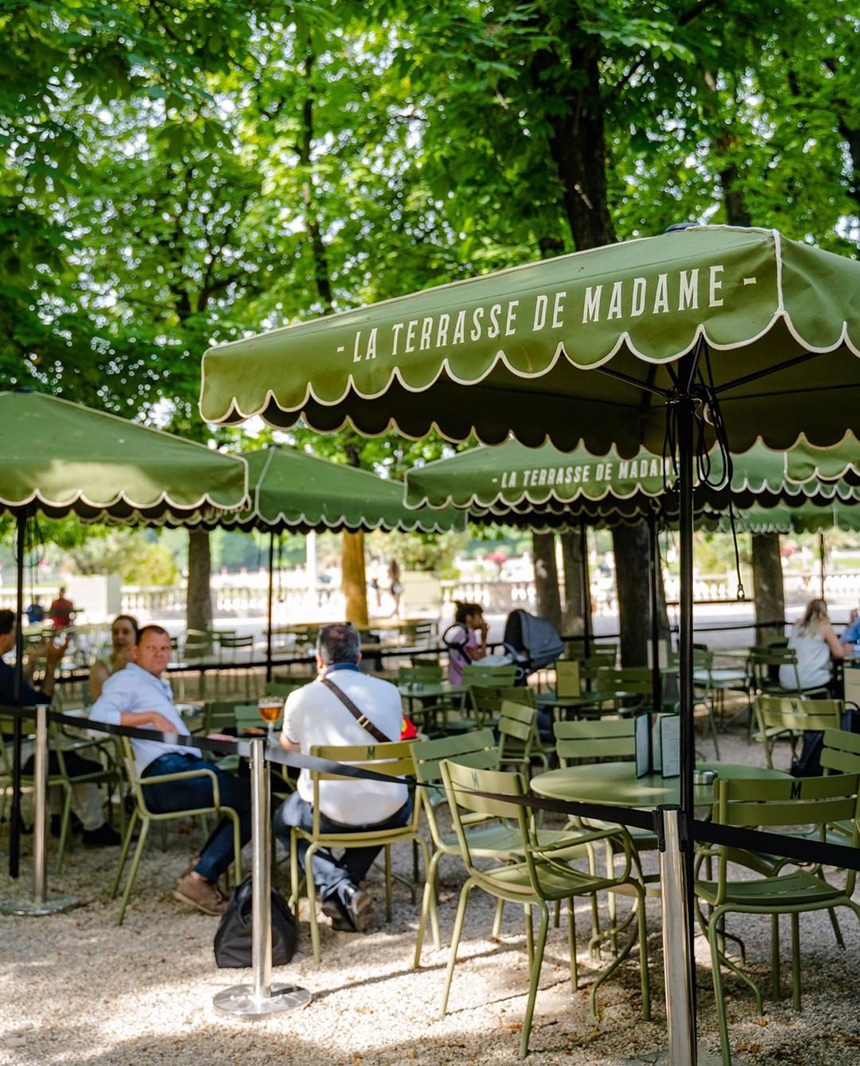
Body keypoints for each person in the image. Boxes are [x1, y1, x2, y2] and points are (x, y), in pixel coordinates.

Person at [88, 624, 253, 915]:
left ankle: (201, 870)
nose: (160, 654)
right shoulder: (127, 679)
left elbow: (168, 739)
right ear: (136, 651)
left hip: (177, 769)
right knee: (255, 798)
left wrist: (201, 741)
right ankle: (200, 877)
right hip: (164, 779)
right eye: (152, 648)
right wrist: (148, 716)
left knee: (248, 794)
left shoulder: (154, 683)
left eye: (165, 648)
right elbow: (98, 722)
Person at [273, 622, 410, 933]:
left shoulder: (300, 697)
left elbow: (289, 748)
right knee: (384, 810)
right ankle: (346, 889)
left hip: (328, 814)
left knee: (282, 821)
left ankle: (339, 888)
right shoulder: (390, 691)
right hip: (392, 811)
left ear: (319, 660)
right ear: (359, 657)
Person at [0, 609, 120, 847]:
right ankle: (93, 826)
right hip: (17, 752)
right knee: (79, 759)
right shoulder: (2, 672)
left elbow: (17, 691)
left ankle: (61, 817)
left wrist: (34, 662)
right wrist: (52, 665)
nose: (17, 637)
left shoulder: (4, 672)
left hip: (11, 748)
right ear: (4, 637)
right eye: (15, 632)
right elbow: (42, 703)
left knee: (65, 749)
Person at [781, 598, 845, 696]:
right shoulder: (824, 626)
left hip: (787, 680)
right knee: (840, 685)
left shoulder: (797, 626)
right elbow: (839, 653)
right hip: (810, 681)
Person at [88, 614, 138, 703]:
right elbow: (101, 702)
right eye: (115, 632)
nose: (119, 636)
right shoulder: (100, 666)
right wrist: (117, 670)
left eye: (125, 632)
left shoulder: (145, 663)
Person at [444, 600, 488, 685]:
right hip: (464, 682)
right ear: (468, 618)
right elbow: (479, 659)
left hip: (454, 680)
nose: (482, 620)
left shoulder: (459, 634)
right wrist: (484, 639)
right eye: (479, 616)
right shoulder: (469, 635)